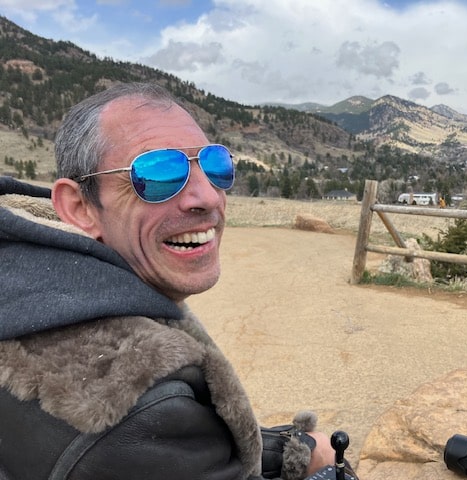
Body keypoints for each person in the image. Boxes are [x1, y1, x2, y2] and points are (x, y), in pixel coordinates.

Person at [0, 83, 354, 480]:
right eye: (159, 172)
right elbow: (158, 442)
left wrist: (294, 448)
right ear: (80, 207)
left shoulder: (23, 287)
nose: (207, 196)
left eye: (216, 165)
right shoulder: (133, 403)